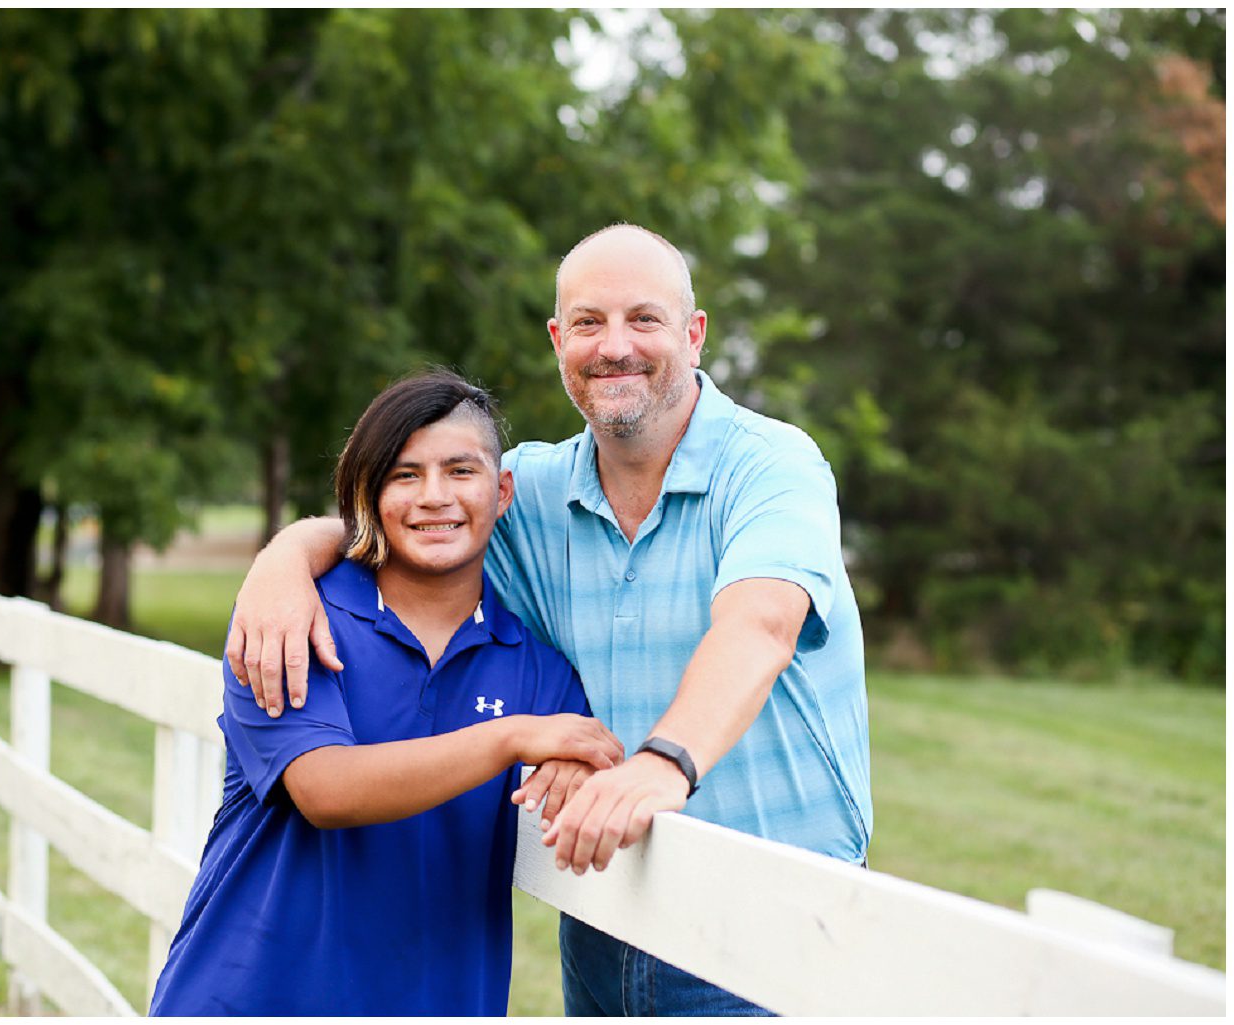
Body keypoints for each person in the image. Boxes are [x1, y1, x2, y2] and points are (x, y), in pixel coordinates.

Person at [224, 225, 872, 1016]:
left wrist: (661, 764)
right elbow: (415, 517)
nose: (615, 346)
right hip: (606, 912)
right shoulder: (527, 489)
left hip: (769, 922)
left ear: (694, 335)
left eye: (645, 319)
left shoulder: (774, 466)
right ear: (559, 340)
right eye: (590, 323)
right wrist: (285, 560)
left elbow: (760, 625)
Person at [148, 370, 623, 1016]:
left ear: (502, 489)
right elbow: (325, 790)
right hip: (250, 996)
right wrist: (512, 736)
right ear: (369, 494)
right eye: (404, 474)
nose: (435, 497)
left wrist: (572, 757)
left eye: (461, 471)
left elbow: (582, 761)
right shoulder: (290, 622)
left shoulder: (539, 673)